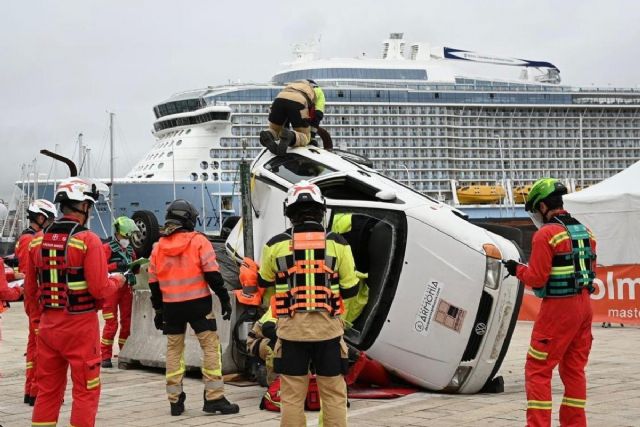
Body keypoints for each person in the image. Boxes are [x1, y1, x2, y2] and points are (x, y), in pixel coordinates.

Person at [24, 177, 126, 427]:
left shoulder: (36, 241)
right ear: (83, 206)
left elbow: (30, 291)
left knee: (47, 393)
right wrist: (119, 280)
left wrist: (38, 323)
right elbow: (100, 288)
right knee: (85, 391)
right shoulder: (88, 240)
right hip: (80, 327)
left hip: (48, 326)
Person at [258, 180, 359, 427]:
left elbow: (264, 280)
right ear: (321, 210)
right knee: (334, 393)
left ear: (289, 212)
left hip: (291, 331)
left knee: (292, 395)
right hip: (328, 331)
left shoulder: (274, 244)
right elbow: (351, 288)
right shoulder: (338, 243)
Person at [504, 178, 596, 427]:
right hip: (585, 307)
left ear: (543, 206)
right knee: (574, 370)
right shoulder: (585, 232)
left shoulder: (546, 235)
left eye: (535, 209)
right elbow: (590, 272)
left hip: (558, 310)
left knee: (538, 370)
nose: (536, 215)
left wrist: (516, 269)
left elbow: (536, 278)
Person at [148, 199, 240, 416]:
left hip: (171, 308)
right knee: (209, 348)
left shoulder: (158, 247)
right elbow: (213, 274)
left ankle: (175, 401)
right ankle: (214, 398)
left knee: (174, 350)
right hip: (199, 306)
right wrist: (224, 299)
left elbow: (153, 284)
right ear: (188, 219)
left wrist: (159, 311)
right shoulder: (199, 241)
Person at [15, 199, 57, 405]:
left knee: (35, 345)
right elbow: (29, 274)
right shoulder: (29, 240)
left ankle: (32, 389)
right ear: (40, 218)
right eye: (49, 219)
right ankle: (36, 390)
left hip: (35, 298)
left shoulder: (28, 237)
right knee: (39, 346)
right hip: (36, 301)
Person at [100, 216, 140, 368]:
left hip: (126, 289)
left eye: (129, 236)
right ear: (118, 233)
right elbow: (100, 269)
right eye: (125, 236)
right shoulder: (107, 248)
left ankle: (124, 353)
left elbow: (133, 266)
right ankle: (105, 356)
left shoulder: (130, 250)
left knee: (127, 322)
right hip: (111, 289)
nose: (127, 239)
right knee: (111, 323)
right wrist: (116, 265)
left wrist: (135, 268)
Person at [260, 79, 325, 155]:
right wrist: (312, 138)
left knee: (275, 131)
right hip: (298, 101)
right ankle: (291, 136)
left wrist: (284, 129)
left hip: (278, 100)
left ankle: (268, 134)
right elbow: (318, 115)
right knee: (305, 137)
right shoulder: (318, 90)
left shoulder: (293, 85)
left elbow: (286, 112)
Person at [246, 307, 277, 386]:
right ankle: (274, 385)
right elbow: (270, 330)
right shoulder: (280, 305)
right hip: (257, 341)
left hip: (269, 335)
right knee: (275, 347)